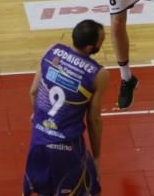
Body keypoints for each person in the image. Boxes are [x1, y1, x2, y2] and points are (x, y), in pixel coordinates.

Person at [23, 19, 109, 196]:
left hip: (38, 141)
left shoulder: (51, 50)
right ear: (89, 47)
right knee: (90, 188)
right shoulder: (98, 74)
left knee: (35, 190)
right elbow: (93, 120)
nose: (104, 41)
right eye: (102, 39)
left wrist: (37, 115)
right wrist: (98, 156)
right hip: (68, 146)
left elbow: (33, 92)